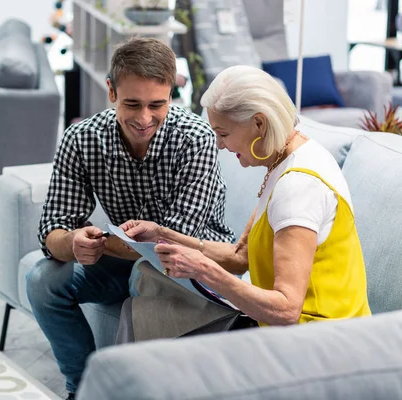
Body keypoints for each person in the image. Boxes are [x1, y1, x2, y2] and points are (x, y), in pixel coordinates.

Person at [26, 37, 235, 400]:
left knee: (145, 272)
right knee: (42, 280)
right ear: (111, 91)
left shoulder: (195, 138)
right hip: (128, 258)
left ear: (173, 92)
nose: (144, 118)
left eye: (157, 104)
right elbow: (53, 228)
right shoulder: (82, 139)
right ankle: (85, 388)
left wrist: (102, 244)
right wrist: (72, 244)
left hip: (192, 266)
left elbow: (172, 242)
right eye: (132, 104)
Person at [120, 65, 371, 333]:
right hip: (291, 328)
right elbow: (241, 256)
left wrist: (203, 270)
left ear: (259, 123)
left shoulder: (298, 186)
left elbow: (286, 309)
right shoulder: (285, 161)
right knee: (144, 289)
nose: (218, 145)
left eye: (224, 133)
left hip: (319, 339)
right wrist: (161, 234)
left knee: (142, 316)